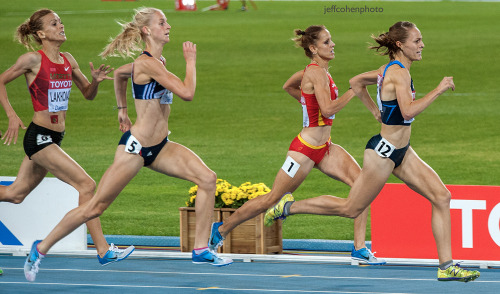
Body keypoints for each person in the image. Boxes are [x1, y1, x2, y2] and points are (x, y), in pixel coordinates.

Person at [22, 7, 232, 282]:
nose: (168, 26)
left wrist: (122, 108)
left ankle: (201, 248)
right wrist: (191, 61)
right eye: (162, 22)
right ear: (147, 30)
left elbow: (120, 74)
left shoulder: (157, 61)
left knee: (207, 178)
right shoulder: (148, 64)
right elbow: (187, 93)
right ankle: (40, 248)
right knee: (95, 206)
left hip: (161, 147)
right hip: (135, 148)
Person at [265, 21, 480, 282]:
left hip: (402, 151)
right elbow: (408, 111)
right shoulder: (398, 73)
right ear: (400, 45)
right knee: (350, 209)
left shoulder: (387, 69)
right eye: (417, 40)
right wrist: (439, 89)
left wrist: (374, 110)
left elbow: (356, 81)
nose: (422, 45)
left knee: (442, 197)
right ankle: (289, 206)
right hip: (382, 153)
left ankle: (446, 266)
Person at [208, 25, 385, 265]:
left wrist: (306, 104)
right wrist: (354, 91)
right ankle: (221, 229)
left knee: (362, 186)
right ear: (313, 48)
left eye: (331, 40)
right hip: (303, 151)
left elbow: (288, 87)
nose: (332, 45)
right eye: (326, 42)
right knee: (271, 199)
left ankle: (359, 247)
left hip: (326, 148)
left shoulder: (318, 72)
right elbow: (328, 109)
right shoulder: (316, 73)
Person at [0, 8, 135, 278]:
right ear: (41, 33)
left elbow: (87, 94)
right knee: (87, 185)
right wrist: (12, 116)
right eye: (54, 23)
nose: (61, 26)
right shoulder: (31, 60)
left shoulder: (67, 59)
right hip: (38, 137)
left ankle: (102, 250)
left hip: (54, 138)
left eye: (60, 21)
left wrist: (94, 82)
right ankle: (103, 250)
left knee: (15, 194)